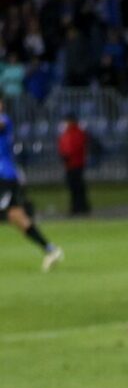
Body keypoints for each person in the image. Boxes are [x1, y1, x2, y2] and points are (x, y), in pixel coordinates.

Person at [0, 94, 63, 271]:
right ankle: (50, 249)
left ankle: (50, 249)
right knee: (15, 216)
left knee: (15, 215)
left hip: (4, 176)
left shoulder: (4, 120)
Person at [58, 113, 91, 215]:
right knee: (73, 186)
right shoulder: (68, 133)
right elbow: (63, 145)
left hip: (76, 163)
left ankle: (80, 206)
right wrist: (63, 154)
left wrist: (67, 154)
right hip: (70, 163)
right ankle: (77, 206)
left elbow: (76, 147)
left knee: (77, 186)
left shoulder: (77, 133)